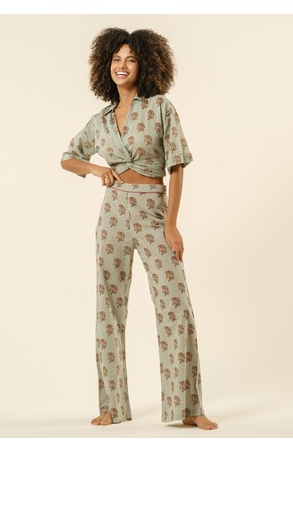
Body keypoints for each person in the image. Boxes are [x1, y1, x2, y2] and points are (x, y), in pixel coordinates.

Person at [60, 27, 218, 430]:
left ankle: (188, 406)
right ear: (105, 65)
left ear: (144, 64)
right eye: (116, 59)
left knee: (174, 304)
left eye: (130, 59)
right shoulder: (100, 121)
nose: (122, 65)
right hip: (113, 214)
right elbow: (68, 157)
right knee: (109, 306)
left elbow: (176, 165)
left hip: (153, 211)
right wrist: (95, 168)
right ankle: (112, 405)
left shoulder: (161, 108)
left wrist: (172, 224)